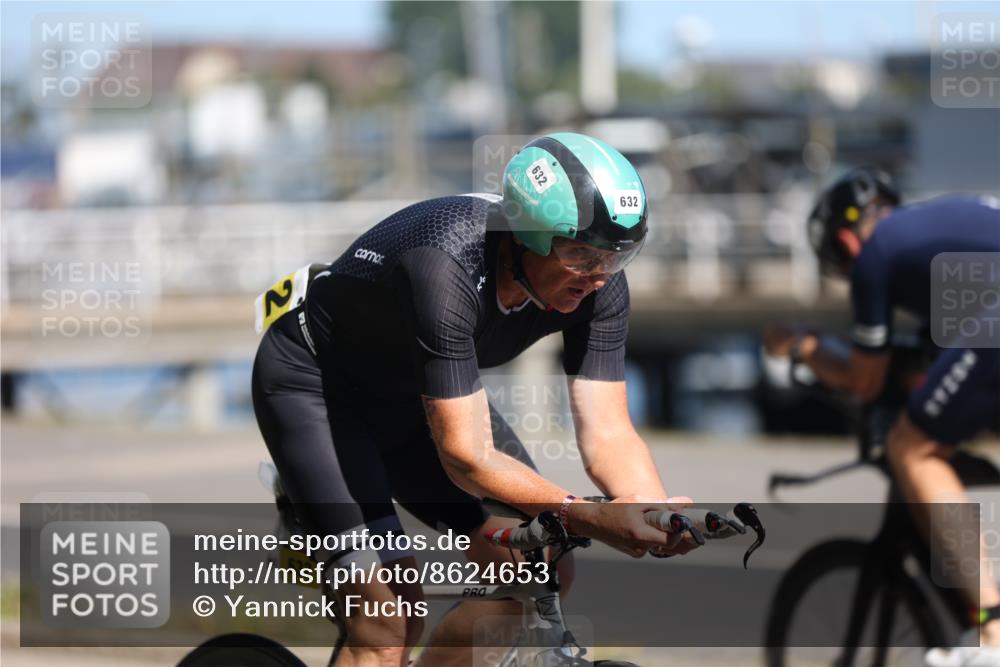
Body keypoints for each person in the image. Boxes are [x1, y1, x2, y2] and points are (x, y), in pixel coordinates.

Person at [252, 132, 696, 666]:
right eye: (581, 253)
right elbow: (466, 457)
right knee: (389, 616)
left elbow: (608, 431)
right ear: (527, 235)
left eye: (618, 256)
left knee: (537, 567)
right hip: (319, 393)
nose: (599, 276)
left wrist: (652, 511)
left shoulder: (599, 287)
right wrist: (584, 515)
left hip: (413, 401)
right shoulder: (445, 262)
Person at [764, 167, 1000, 666]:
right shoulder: (937, 233)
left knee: (913, 448)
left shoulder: (878, 251)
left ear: (846, 242)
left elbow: (865, 380)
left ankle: (993, 634)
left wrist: (803, 344)